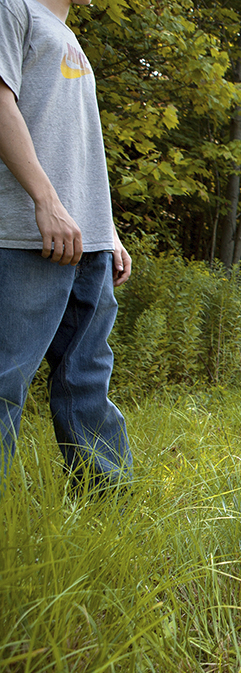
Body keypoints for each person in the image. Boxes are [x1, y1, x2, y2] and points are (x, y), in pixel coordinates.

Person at [0, 0, 133, 490]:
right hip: (25, 235)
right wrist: (46, 201)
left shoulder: (65, 33)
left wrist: (107, 230)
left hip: (87, 240)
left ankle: (107, 507)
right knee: (4, 381)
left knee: (86, 381)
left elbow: (76, 143)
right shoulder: (14, 8)